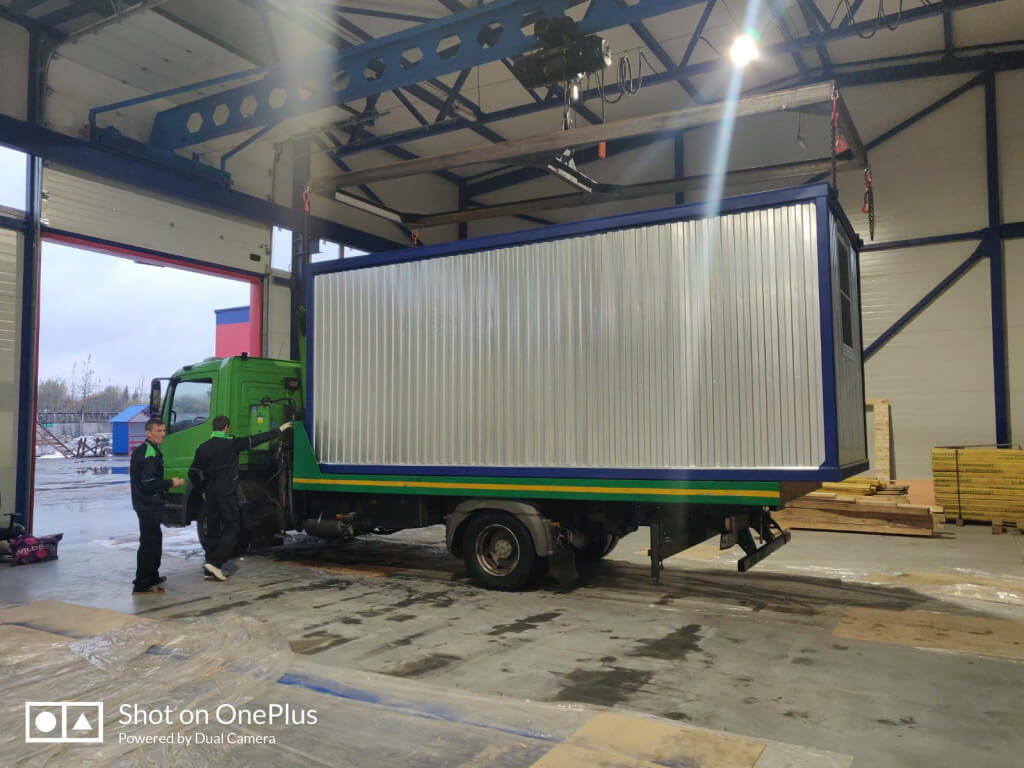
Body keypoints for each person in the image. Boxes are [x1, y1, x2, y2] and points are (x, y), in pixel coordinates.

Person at [189, 416, 292, 581]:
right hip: (226, 494)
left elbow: (193, 472)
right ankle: (216, 563)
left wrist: (202, 489)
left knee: (213, 529)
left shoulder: (203, 447)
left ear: (213, 428)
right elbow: (255, 439)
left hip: (210, 495)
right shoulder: (231, 444)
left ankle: (210, 566)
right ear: (226, 427)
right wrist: (279, 430)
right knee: (232, 527)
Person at [130, 417, 183, 594]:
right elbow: (148, 484)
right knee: (149, 544)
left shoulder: (151, 450)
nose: (163, 434)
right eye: (158, 431)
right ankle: (142, 583)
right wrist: (171, 483)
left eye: (164, 430)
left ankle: (152, 576)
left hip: (149, 503)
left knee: (154, 541)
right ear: (148, 433)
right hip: (147, 504)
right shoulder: (148, 453)